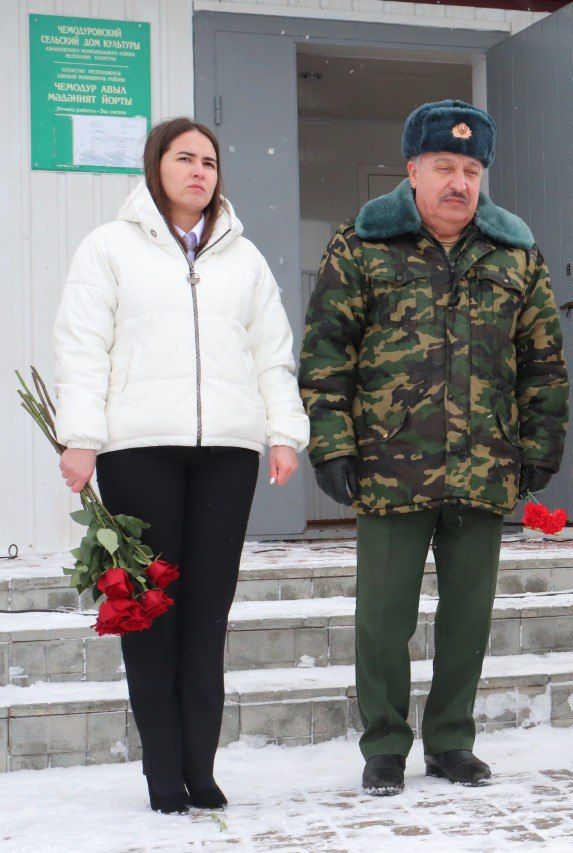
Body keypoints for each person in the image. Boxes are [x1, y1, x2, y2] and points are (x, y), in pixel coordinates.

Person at [300, 99, 569, 796]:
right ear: (411, 169)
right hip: (391, 466)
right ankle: (384, 743)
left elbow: (543, 359)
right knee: (383, 619)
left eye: (471, 169)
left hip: (484, 464)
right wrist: (331, 442)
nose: (459, 182)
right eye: (444, 166)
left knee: (467, 618)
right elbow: (326, 350)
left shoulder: (515, 252)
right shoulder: (360, 244)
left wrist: (541, 441)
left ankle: (451, 739)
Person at [52, 117, 309, 813]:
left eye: (210, 161)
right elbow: (82, 344)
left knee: (207, 613)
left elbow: (272, 353)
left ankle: (202, 767)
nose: (199, 171)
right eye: (184, 158)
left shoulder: (244, 260)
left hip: (228, 452)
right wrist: (79, 436)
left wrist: (283, 432)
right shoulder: (109, 248)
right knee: (149, 609)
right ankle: (163, 772)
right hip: (138, 450)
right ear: (155, 166)